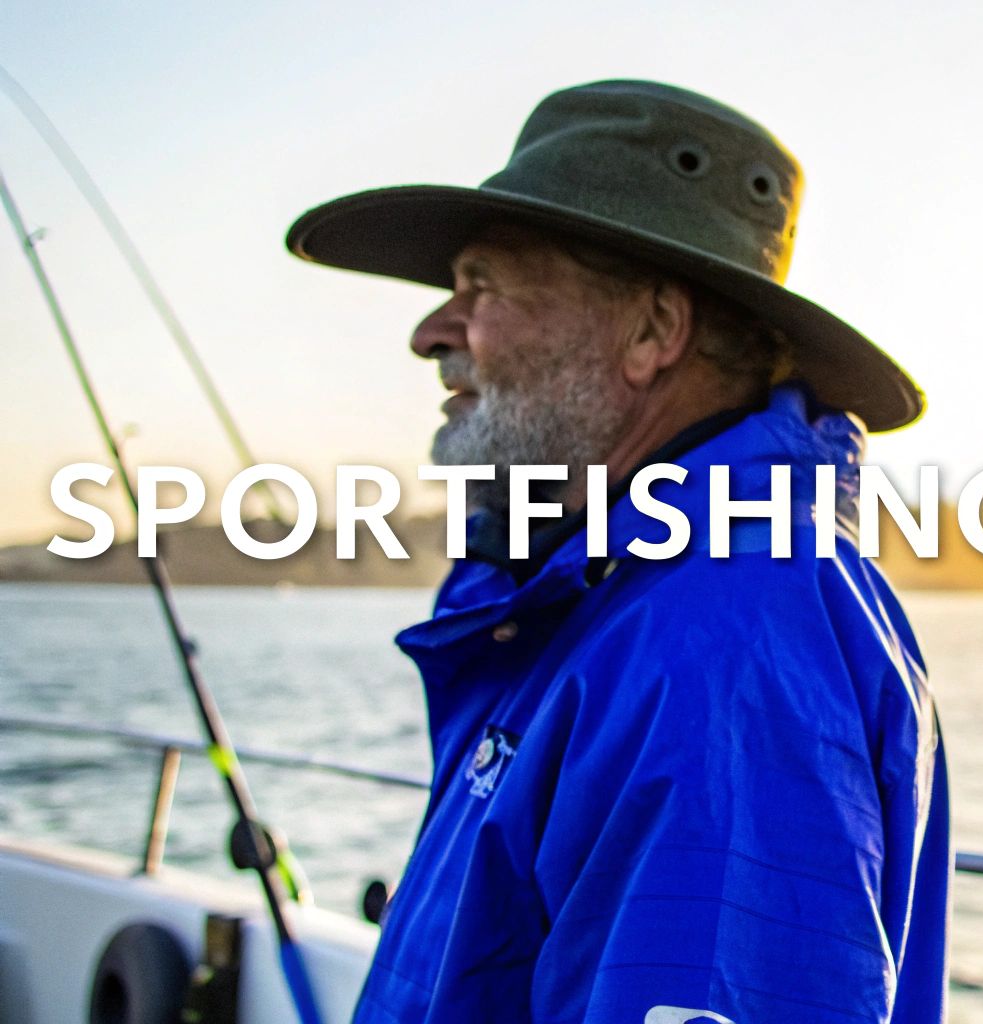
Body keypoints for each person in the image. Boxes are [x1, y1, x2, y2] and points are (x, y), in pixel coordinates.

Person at [287, 80, 949, 1023]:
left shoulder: (723, 652)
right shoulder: (602, 604)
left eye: (481, 285)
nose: (433, 332)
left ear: (652, 332)